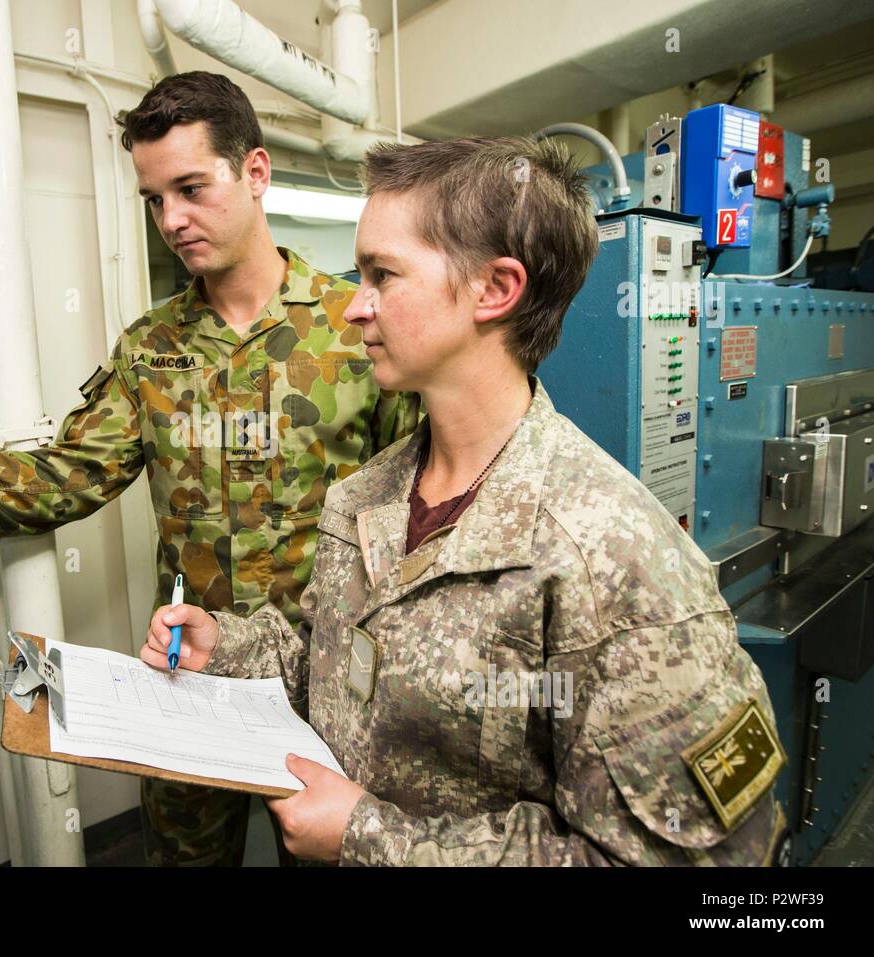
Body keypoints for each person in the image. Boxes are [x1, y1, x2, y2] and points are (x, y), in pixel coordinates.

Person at [0, 71, 419, 866]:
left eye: (192, 188)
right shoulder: (152, 350)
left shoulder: (356, 330)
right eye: (154, 199)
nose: (173, 219)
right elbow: (56, 479)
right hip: (189, 674)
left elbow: (411, 523)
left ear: (257, 173)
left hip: (324, 677)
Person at [141, 135, 787, 865]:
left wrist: (366, 837)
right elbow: (337, 672)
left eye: (382, 274)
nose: (355, 308)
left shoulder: (613, 560)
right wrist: (226, 647)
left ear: (495, 289)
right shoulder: (363, 499)